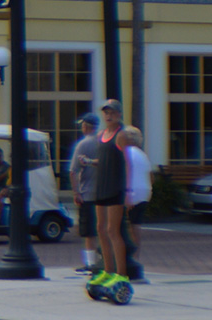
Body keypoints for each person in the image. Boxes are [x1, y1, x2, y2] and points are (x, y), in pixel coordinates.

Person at [86, 99, 133, 290]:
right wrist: (90, 162)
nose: (108, 115)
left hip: (116, 188)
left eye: (112, 112)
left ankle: (122, 274)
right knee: (100, 229)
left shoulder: (121, 135)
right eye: (106, 112)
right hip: (102, 187)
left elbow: (128, 163)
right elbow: (104, 159)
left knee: (114, 231)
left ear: (119, 114)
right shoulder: (100, 135)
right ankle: (108, 270)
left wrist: (129, 191)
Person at [71, 113, 102, 274]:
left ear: (86, 126)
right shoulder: (103, 142)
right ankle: (103, 261)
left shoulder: (82, 145)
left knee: (88, 231)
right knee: (103, 229)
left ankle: (90, 264)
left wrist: (76, 192)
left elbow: (73, 171)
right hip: (103, 194)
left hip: (87, 193)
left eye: (82, 125)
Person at [119, 126, 150, 284]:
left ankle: (126, 257)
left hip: (131, 191)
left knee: (125, 226)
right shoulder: (142, 154)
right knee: (136, 225)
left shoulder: (126, 153)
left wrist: (127, 193)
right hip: (144, 191)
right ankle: (135, 257)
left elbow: (126, 173)